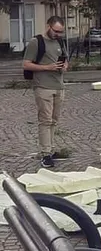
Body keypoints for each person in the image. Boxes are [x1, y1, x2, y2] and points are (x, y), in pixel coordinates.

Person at [22, 16, 68, 168]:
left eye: (60, 32)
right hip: (43, 87)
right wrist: (47, 67)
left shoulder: (60, 41)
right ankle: (45, 153)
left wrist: (64, 66)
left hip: (59, 86)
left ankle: (51, 148)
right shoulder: (36, 42)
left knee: (54, 121)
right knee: (45, 120)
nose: (58, 34)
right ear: (48, 26)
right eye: (56, 31)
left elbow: (65, 59)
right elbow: (26, 64)